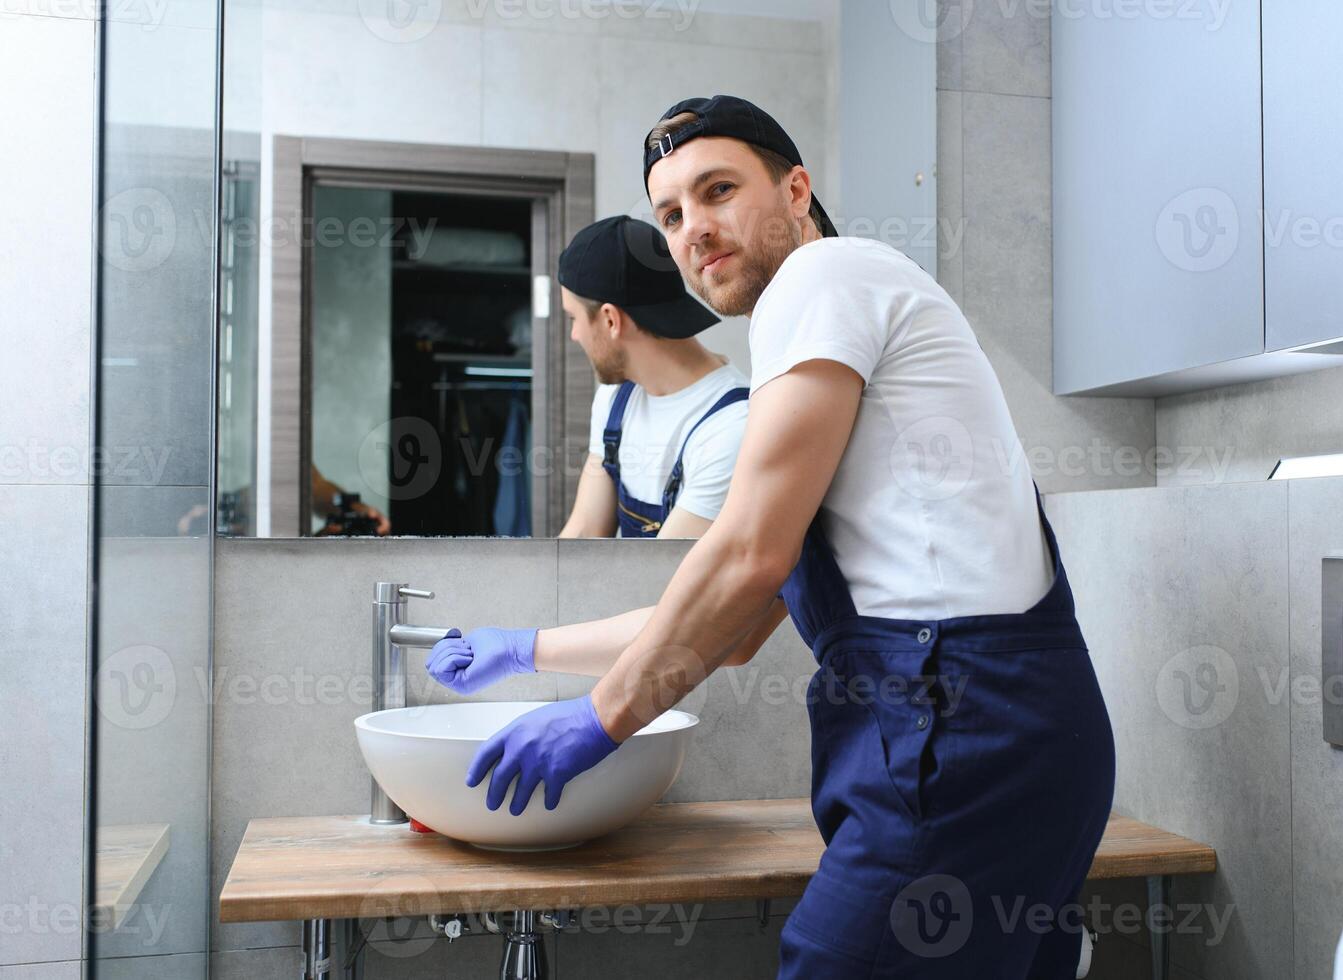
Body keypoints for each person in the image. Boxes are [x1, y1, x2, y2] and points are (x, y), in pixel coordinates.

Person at [426, 95, 1115, 978]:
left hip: (956, 727)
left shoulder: (822, 280)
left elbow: (744, 559)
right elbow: (741, 623)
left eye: (717, 191)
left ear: (797, 189)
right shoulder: (831, 329)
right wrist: (527, 649)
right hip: (996, 730)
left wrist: (601, 718)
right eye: (670, 215)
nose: (693, 231)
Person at [556, 215, 749, 540]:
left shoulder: (730, 429)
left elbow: (663, 578)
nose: (574, 335)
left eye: (573, 318)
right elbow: (583, 535)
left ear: (610, 320)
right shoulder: (616, 398)